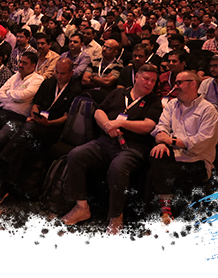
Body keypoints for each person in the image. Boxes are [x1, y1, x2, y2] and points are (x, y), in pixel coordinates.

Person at [61, 64, 162, 236]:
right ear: (137, 77)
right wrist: (107, 126)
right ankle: (82, 206)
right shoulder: (119, 93)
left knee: (118, 167)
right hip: (106, 140)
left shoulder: (154, 101)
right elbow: (99, 111)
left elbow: (148, 126)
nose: (149, 83)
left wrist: (121, 123)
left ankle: (116, 217)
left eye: (153, 81)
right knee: (76, 155)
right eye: (146, 79)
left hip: (133, 147)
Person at [0, 58, 81, 206]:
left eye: (62, 73)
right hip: (37, 123)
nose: (58, 76)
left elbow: (66, 117)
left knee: (27, 129)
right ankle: (5, 187)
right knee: (23, 144)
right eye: (56, 72)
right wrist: (34, 115)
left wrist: (48, 123)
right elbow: (35, 104)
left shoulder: (75, 89)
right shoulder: (48, 83)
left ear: (71, 73)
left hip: (54, 128)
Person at [145, 71, 218, 232]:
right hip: (172, 155)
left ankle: (159, 218)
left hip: (196, 160)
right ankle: (166, 216)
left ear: (193, 84)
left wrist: (171, 141)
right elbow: (162, 126)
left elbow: (202, 142)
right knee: (157, 156)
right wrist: (161, 142)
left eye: (179, 83)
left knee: (155, 173)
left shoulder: (208, 110)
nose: (175, 86)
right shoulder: (172, 104)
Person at [81, 39, 124, 104]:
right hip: (89, 92)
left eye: (108, 48)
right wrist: (102, 81)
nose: (104, 49)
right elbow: (84, 81)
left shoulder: (118, 66)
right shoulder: (94, 62)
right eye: (103, 46)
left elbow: (108, 82)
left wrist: (92, 77)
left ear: (115, 52)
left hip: (105, 96)